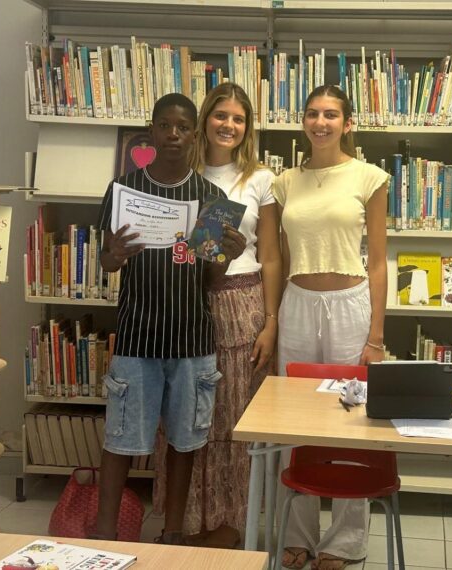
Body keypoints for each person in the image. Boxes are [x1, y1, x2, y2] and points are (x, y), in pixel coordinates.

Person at [92, 93, 246, 545]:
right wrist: (113, 255)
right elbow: (107, 262)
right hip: (137, 338)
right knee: (120, 440)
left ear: (194, 133)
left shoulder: (212, 198)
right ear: (153, 131)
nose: (174, 135)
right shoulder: (123, 189)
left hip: (192, 340)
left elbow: (213, 280)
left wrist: (227, 256)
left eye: (182, 127)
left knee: (185, 442)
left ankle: (173, 533)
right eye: (165, 126)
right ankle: (104, 536)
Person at [151, 82, 281, 548]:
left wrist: (271, 321)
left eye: (239, 119)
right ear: (204, 120)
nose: (229, 125)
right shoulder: (178, 169)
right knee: (184, 417)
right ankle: (182, 524)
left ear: (248, 128)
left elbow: (270, 255)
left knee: (229, 421)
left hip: (240, 303)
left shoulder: (260, 179)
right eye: (221, 115)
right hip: (183, 303)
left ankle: (226, 528)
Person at [273, 85, 388, 570]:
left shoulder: (369, 177)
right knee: (293, 421)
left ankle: (343, 542)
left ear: (347, 123)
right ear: (303, 120)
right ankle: (297, 536)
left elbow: (380, 262)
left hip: (349, 305)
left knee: (349, 421)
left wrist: (376, 336)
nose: (320, 122)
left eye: (331, 115)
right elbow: (276, 257)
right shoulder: (283, 183)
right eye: (313, 114)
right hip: (297, 304)